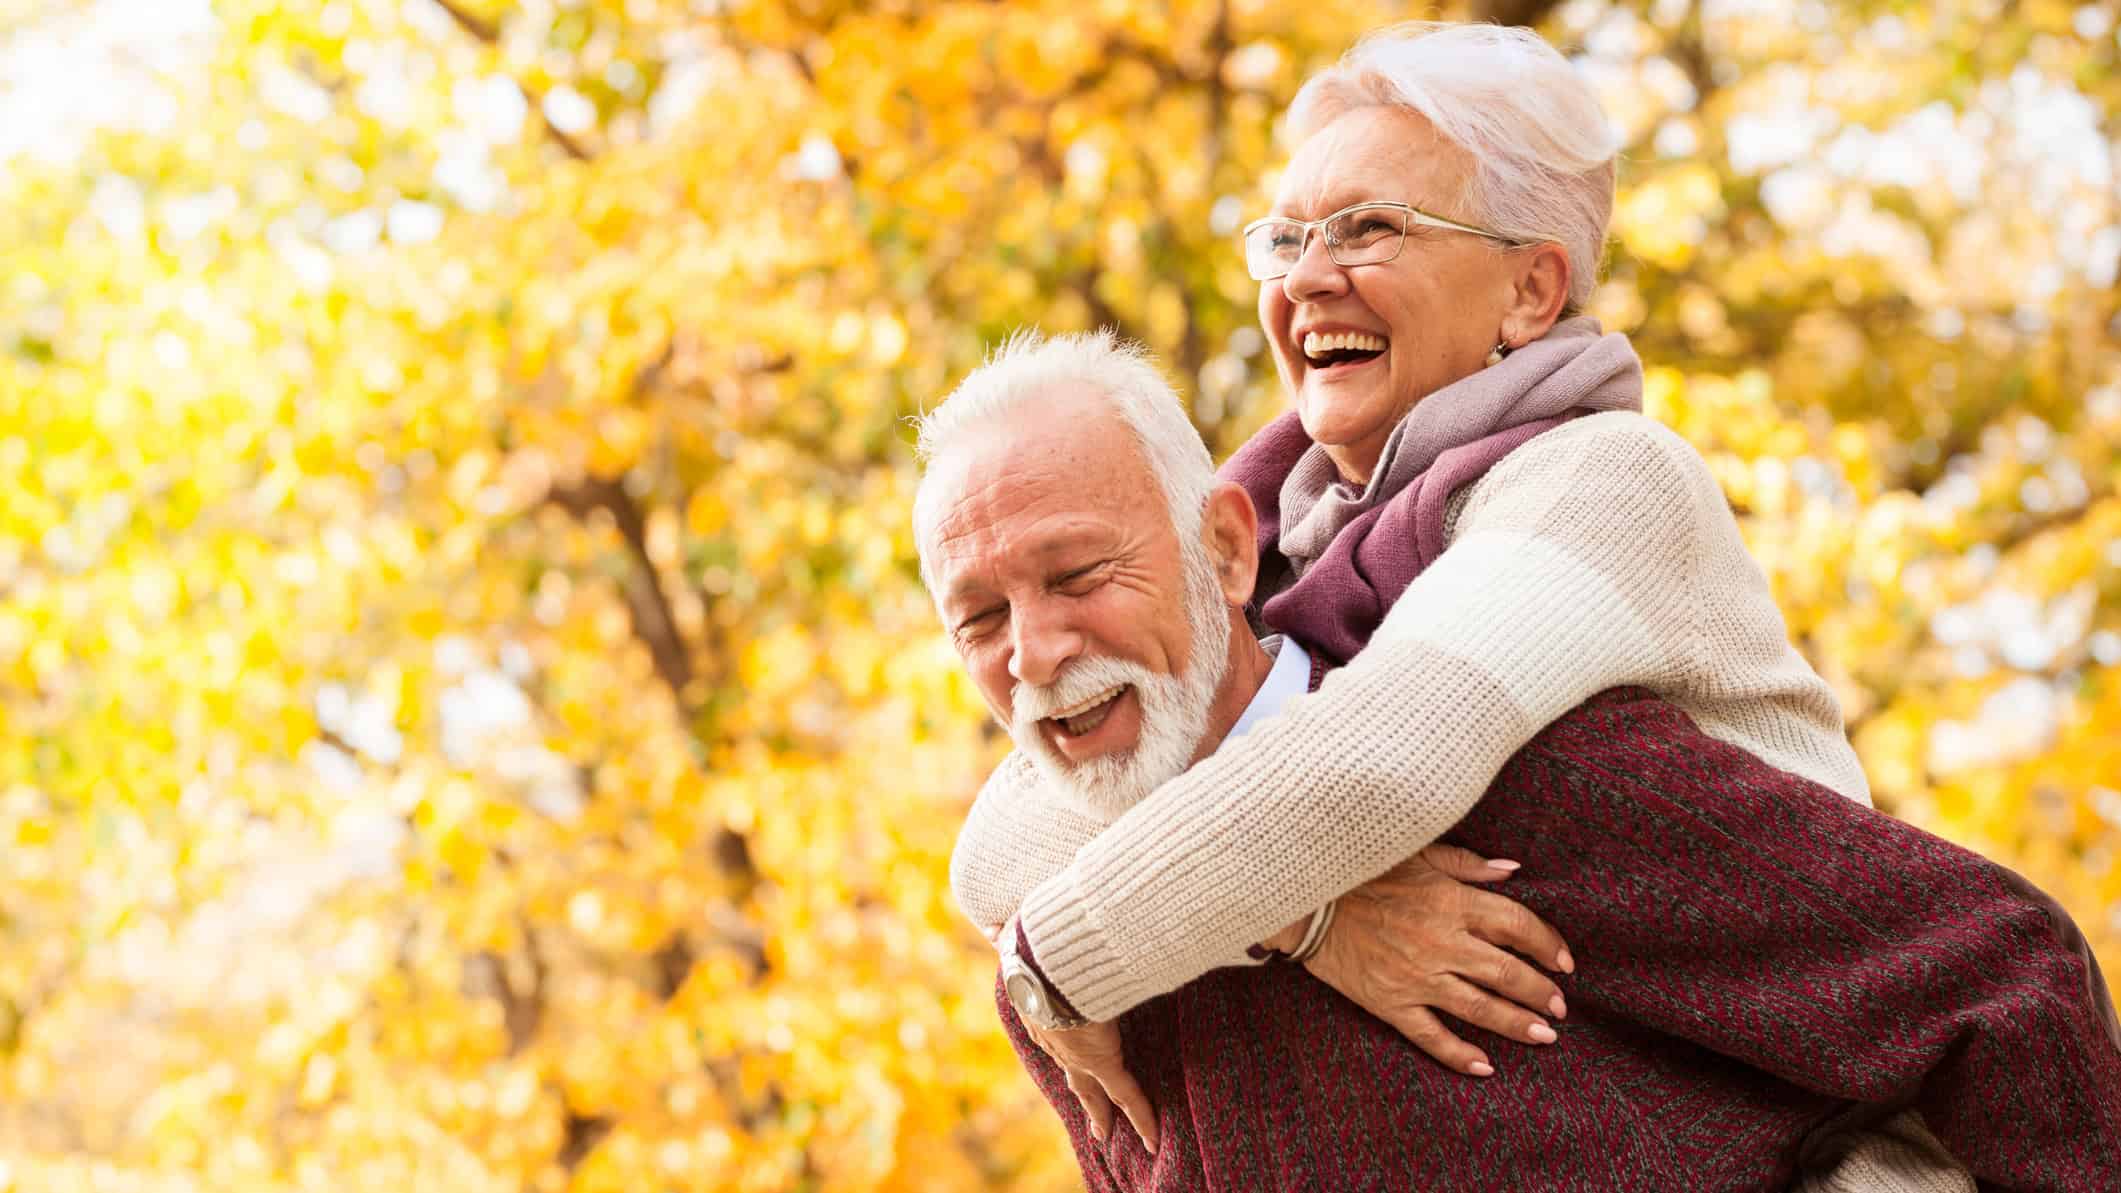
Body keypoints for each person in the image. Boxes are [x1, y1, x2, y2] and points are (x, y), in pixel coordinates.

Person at [913, 330, 2121, 1190]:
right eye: (978, 616)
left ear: (1229, 550)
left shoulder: (1537, 775)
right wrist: (1310, 915)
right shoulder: (1059, 961)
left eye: (1079, 576)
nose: (1037, 650)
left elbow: (1997, 977)